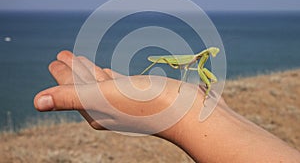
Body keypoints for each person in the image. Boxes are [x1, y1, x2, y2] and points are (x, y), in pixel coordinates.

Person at [34, 50, 300, 163]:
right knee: (166, 67)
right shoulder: (193, 61)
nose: (212, 57)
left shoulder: (200, 64)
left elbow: (195, 76)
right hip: (168, 60)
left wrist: (183, 108)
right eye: (211, 54)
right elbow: (187, 71)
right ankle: (144, 73)